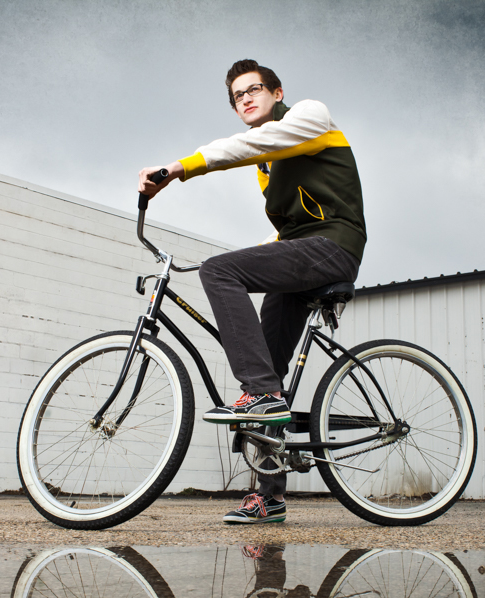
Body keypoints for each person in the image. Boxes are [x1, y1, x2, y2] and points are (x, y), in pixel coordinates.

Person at [138, 59, 366, 524]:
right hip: (303, 253)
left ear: (277, 93)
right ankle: (270, 495)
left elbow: (249, 144)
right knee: (266, 375)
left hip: (334, 247)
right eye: (236, 95)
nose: (245, 98)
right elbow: (286, 233)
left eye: (254, 88)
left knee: (222, 277)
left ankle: (261, 394)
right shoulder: (266, 169)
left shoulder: (310, 117)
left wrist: (179, 168)